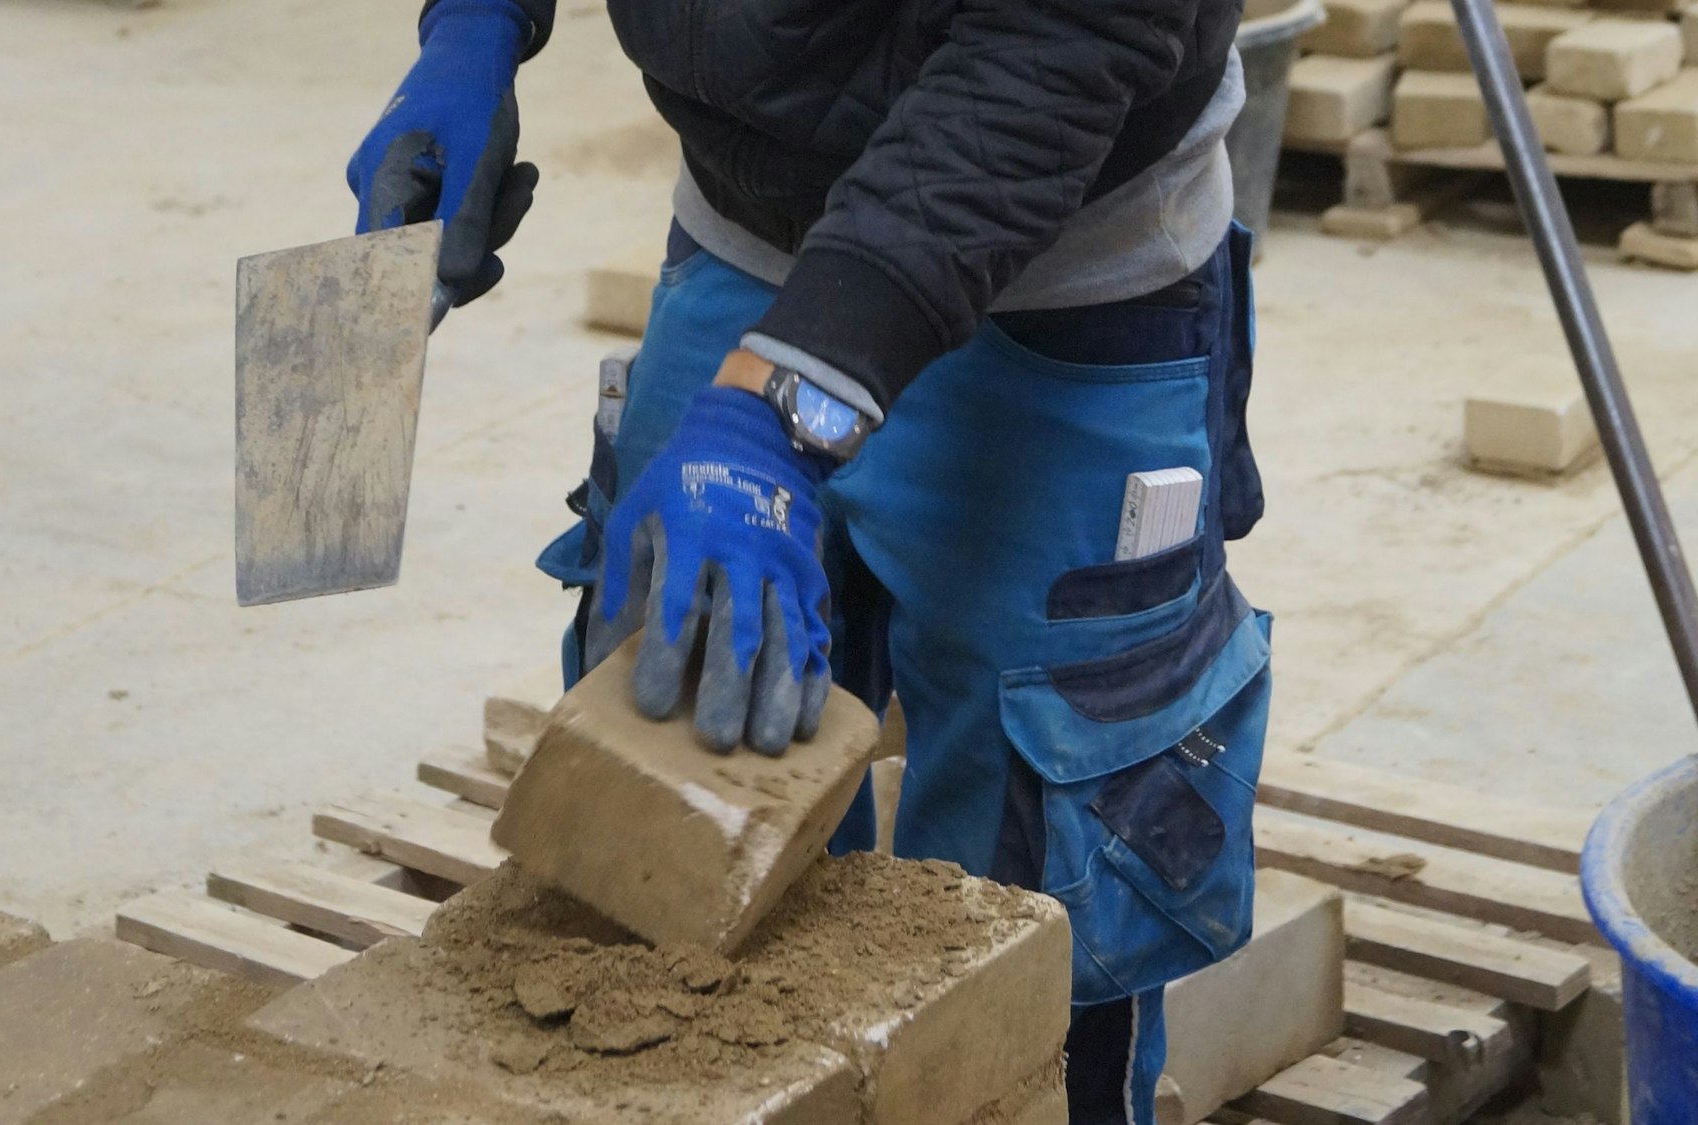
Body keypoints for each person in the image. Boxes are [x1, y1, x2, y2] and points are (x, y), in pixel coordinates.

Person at [346, 0, 1272, 1120]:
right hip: (749, 222)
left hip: (1062, 257)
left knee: (1032, 890)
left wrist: (771, 416)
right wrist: (474, 32)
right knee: (667, 782)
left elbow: (1052, 53)